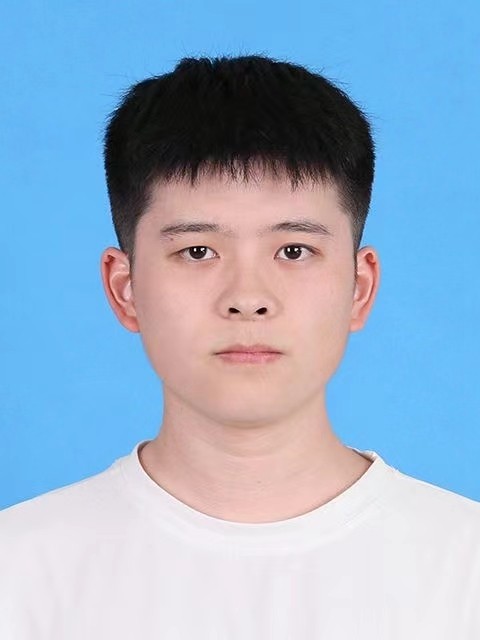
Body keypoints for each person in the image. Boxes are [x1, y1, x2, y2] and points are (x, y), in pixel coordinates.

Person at [1, 54, 479, 639]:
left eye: (294, 251)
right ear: (125, 289)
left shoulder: (464, 569)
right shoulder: (18, 574)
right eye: (197, 251)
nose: (248, 298)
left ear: (359, 287)